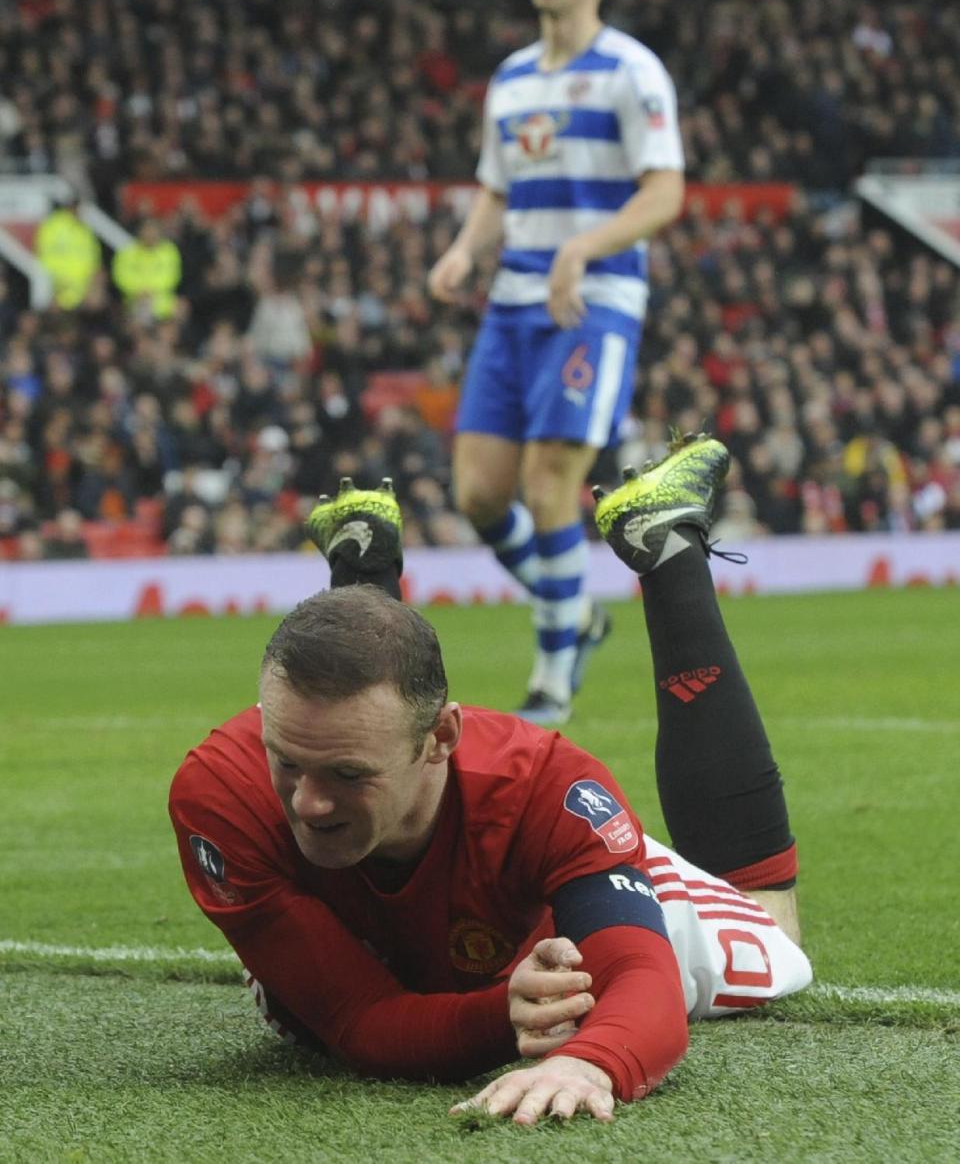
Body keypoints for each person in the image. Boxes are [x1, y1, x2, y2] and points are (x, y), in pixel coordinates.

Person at [169, 435, 811, 1126]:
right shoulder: (222, 790)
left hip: (550, 899)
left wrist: (590, 1059)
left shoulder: (548, 788)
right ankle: (367, 581)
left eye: (348, 772)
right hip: (459, 956)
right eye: (286, 760)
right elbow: (365, 1022)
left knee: (774, 934)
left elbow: (643, 983)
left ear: (442, 738)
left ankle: (670, 554)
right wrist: (509, 1013)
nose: (308, 801)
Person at [428, 0, 685, 725]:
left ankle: (551, 680)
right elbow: (498, 190)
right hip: (512, 302)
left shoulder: (630, 72)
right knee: (476, 492)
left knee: (549, 487)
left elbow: (664, 191)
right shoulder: (510, 79)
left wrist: (585, 248)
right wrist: (466, 250)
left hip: (594, 302)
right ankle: (574, 610)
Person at [35, 192, 102, 310]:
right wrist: (57, 280)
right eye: (75, 206)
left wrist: (91, 283)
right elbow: (43, 253)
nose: (77, 210)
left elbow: (94, 258)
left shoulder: (85, 229)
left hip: (83, 290)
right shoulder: (53, 225)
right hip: (59, 286)